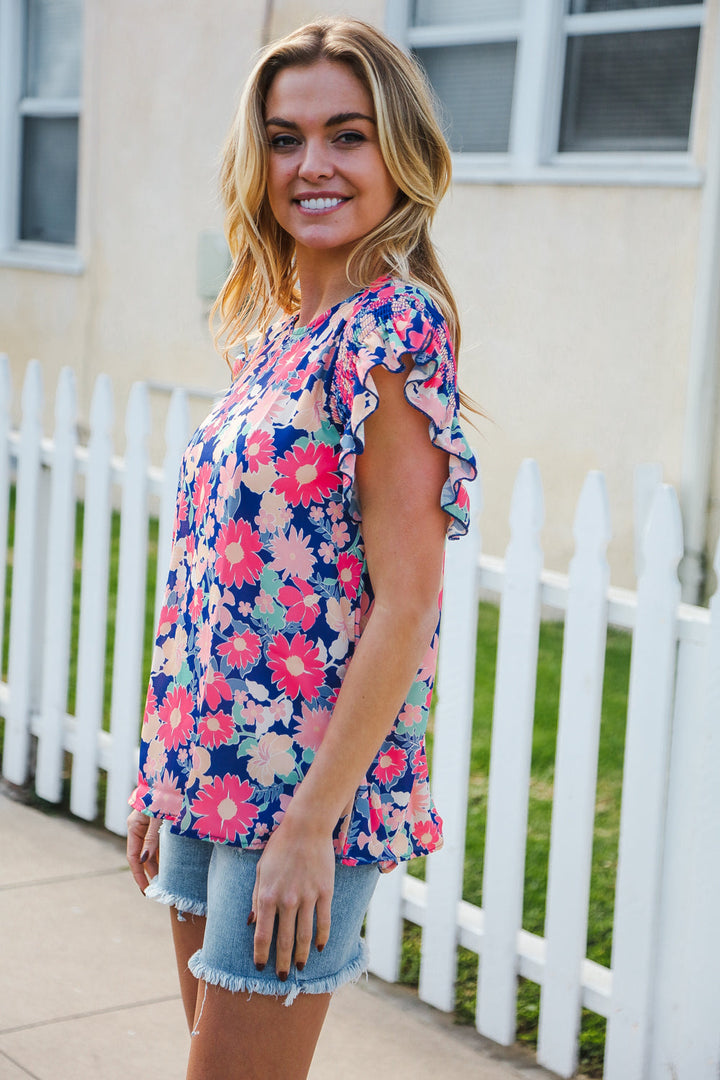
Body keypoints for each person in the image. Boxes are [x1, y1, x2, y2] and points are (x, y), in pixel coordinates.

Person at [126, 16, 477, 1080]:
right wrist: (160, 768)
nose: (312, 165)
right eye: (285, 139)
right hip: (206, 771)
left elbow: (407, 604)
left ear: (398, 155)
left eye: (347, 135)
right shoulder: (278, 333)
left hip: (300, 795)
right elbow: (210, 572)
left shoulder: (396, 330)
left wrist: (308, 829)